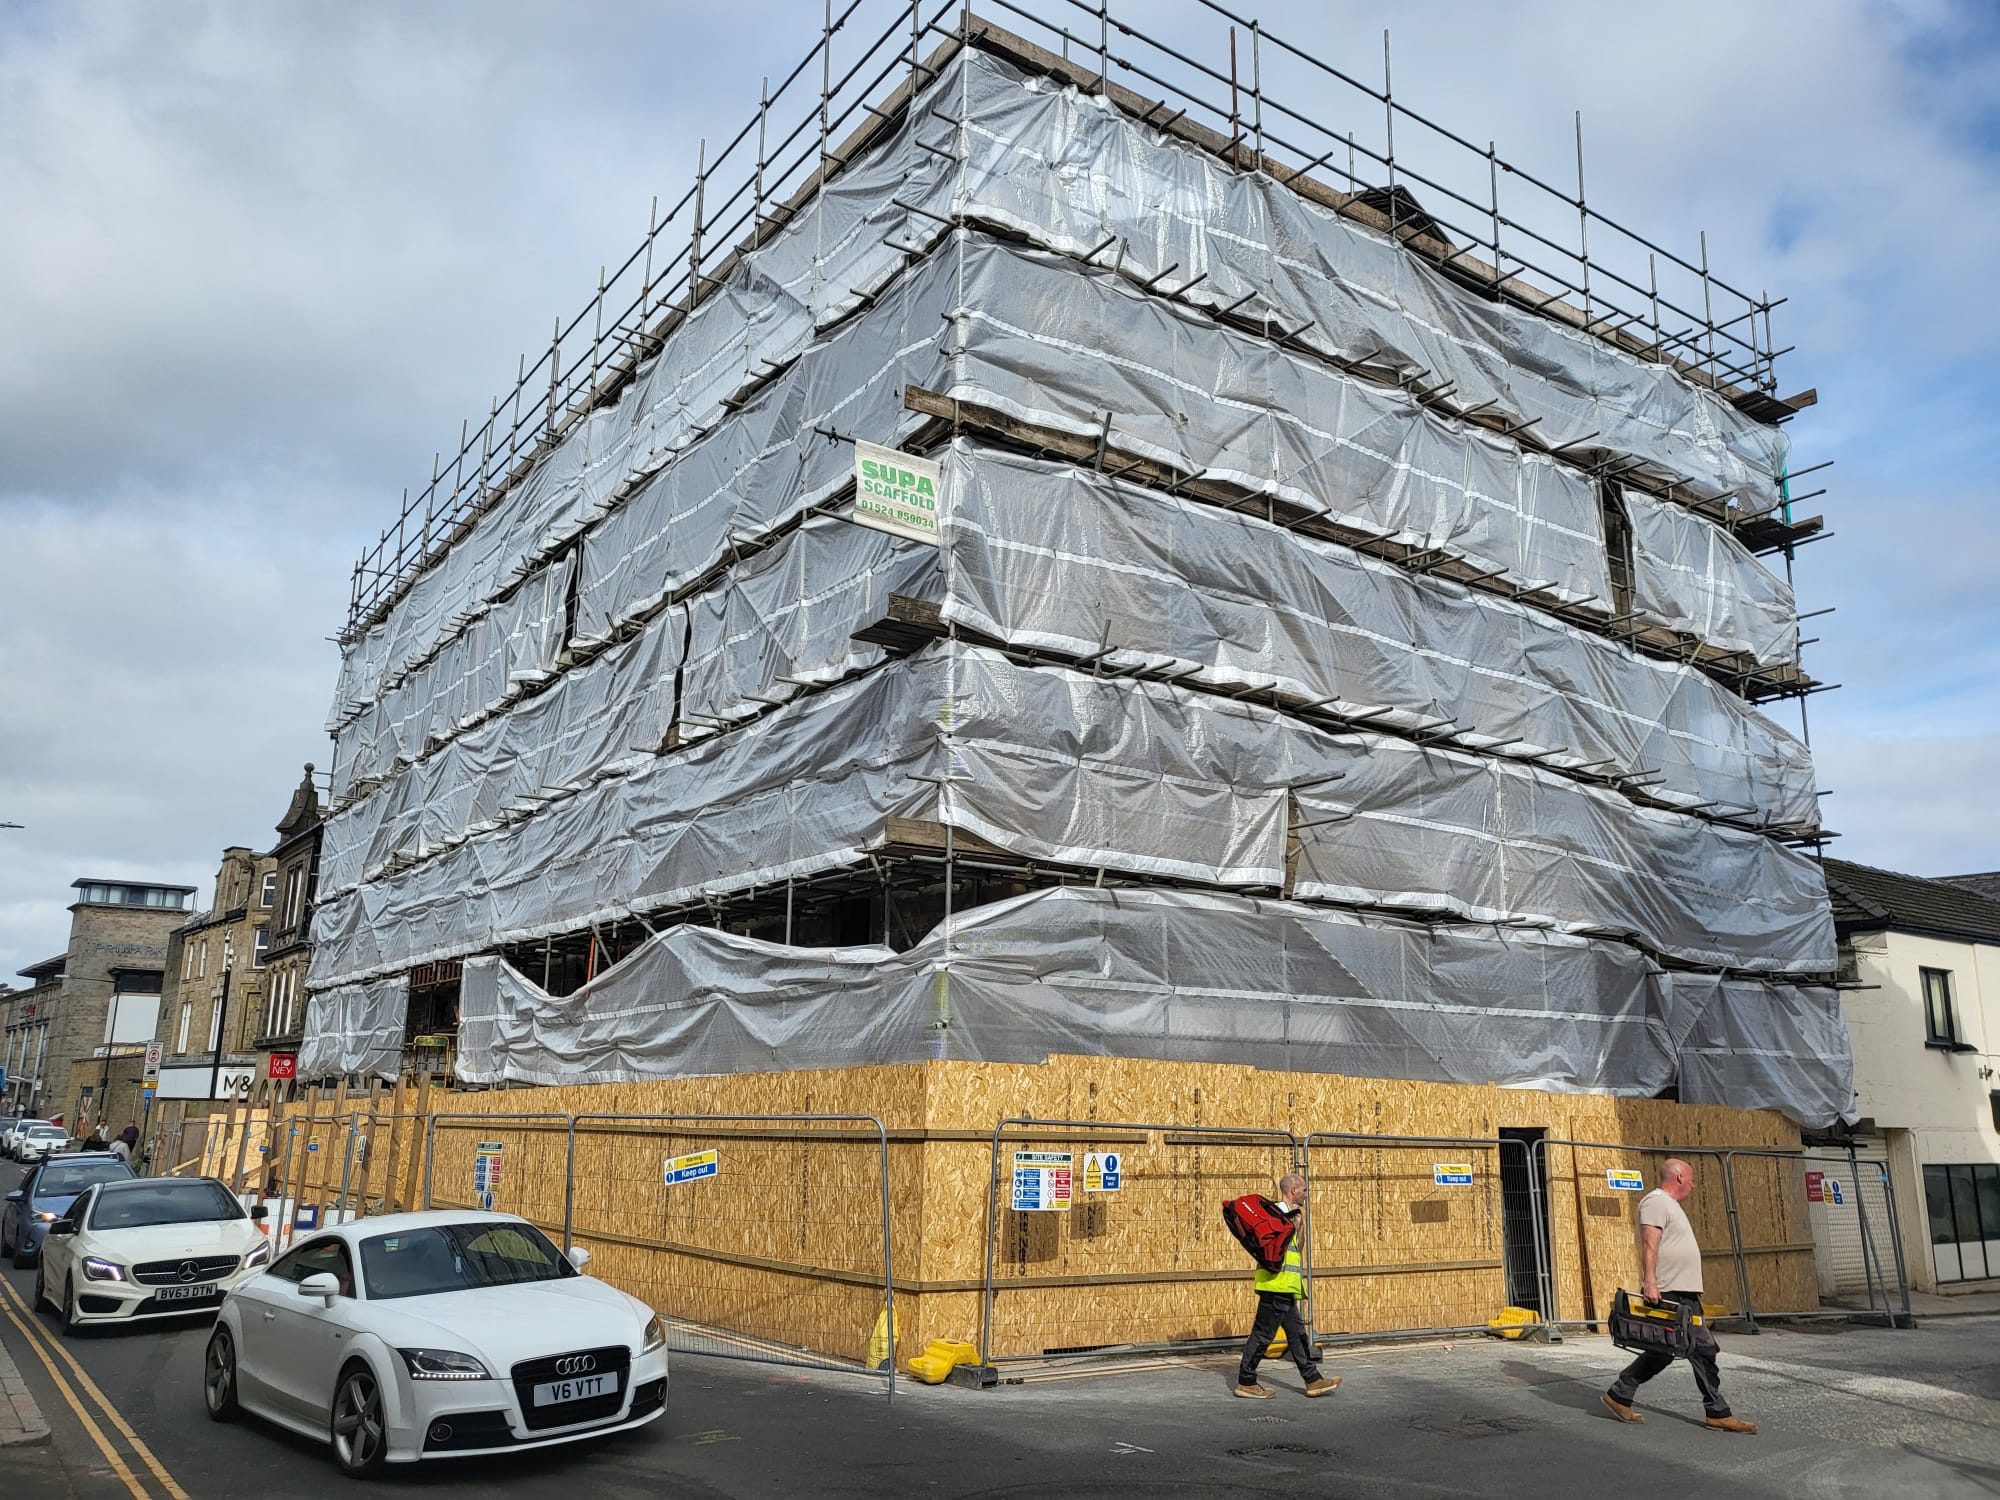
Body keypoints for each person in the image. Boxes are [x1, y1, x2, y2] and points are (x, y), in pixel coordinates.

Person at [1602, 1158, 1756, 1433]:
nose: (1694, 1185)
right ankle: (1717, 1411)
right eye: (1692, 1179)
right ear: (1680, 1178)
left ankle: (1619, 1394)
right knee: (1703, 1349)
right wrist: (1650, 1282)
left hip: (1682, 1292)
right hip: (1670, 1291)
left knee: (1663, 1350)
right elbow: (1650, 1242)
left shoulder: (1669, 1206)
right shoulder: (1656, 1202)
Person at [1235, 1173, 1341, 1400]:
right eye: (1304, 1190)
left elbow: (1297, 1251)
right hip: (1276, 1285)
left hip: (1286, 1286)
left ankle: (1313, 1380)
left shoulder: (1294, 1216)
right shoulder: (1275, 1213)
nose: (1306, 1194)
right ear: (1293, 1190)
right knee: (1263, 1335)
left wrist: (1299, 1227)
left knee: (1296, 1334)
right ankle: (1246, 1381)